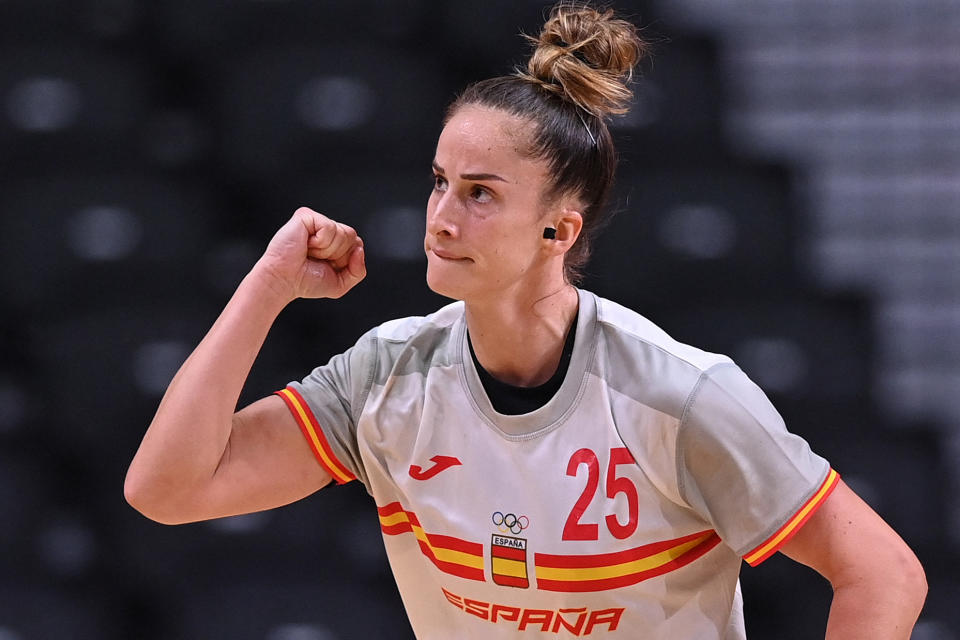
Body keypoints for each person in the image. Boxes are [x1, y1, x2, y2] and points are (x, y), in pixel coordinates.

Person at [125, 3, 927, 638]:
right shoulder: (386, 376)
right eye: (439, 182)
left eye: (480, 193)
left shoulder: (677, 394)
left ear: (559, 230)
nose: (440, 217)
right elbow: (167, 490)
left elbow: (884, 573)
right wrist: (266, 287)